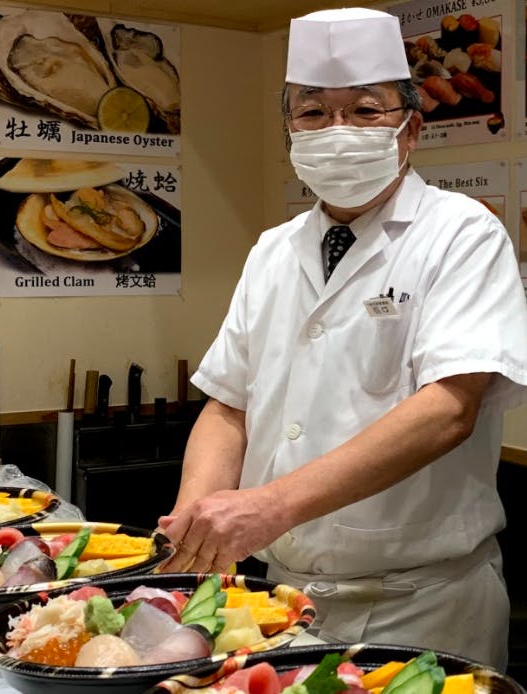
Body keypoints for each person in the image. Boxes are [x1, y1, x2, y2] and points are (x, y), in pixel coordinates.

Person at [158, 7, 527, 671]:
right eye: (312, 113)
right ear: (290, 132)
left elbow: (448, 408)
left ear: (410, 129)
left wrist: (269, 507)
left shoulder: (461, 233)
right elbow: (229, 404)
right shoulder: (273, 250)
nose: (337, 132)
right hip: (279, 601)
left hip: (422, 606)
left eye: (364, 111)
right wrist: (196, 527)